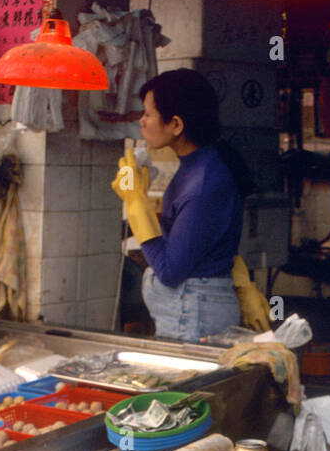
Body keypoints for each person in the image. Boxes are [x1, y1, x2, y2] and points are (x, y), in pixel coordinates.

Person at [110, 67, 270, 341]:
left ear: (176, 125)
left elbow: (171, 271)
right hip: (193, 308)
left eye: (148, 113)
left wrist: (137, 206)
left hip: (193, 312)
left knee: (186, 385)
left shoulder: (204, 182)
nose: (142, 121)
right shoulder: (196, 167)